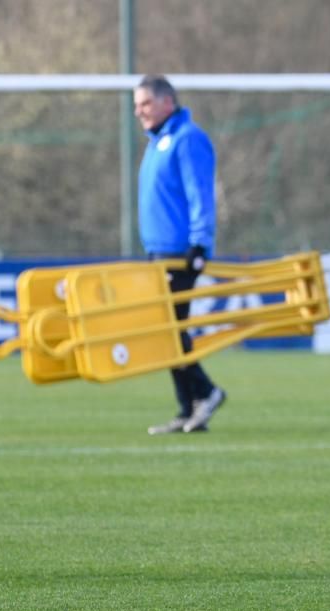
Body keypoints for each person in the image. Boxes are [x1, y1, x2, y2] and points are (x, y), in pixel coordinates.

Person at [134, 74, 227, 435]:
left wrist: (200, 244)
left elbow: (198, 192)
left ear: (166, 102)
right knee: (166, 331)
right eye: (137, 105)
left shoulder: (188, 139)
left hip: (180, 254)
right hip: (158, 252)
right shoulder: (157, 142)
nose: (139, 111)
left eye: (145, 103)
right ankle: (189, 407)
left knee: (170, 330)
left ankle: (206, 392)